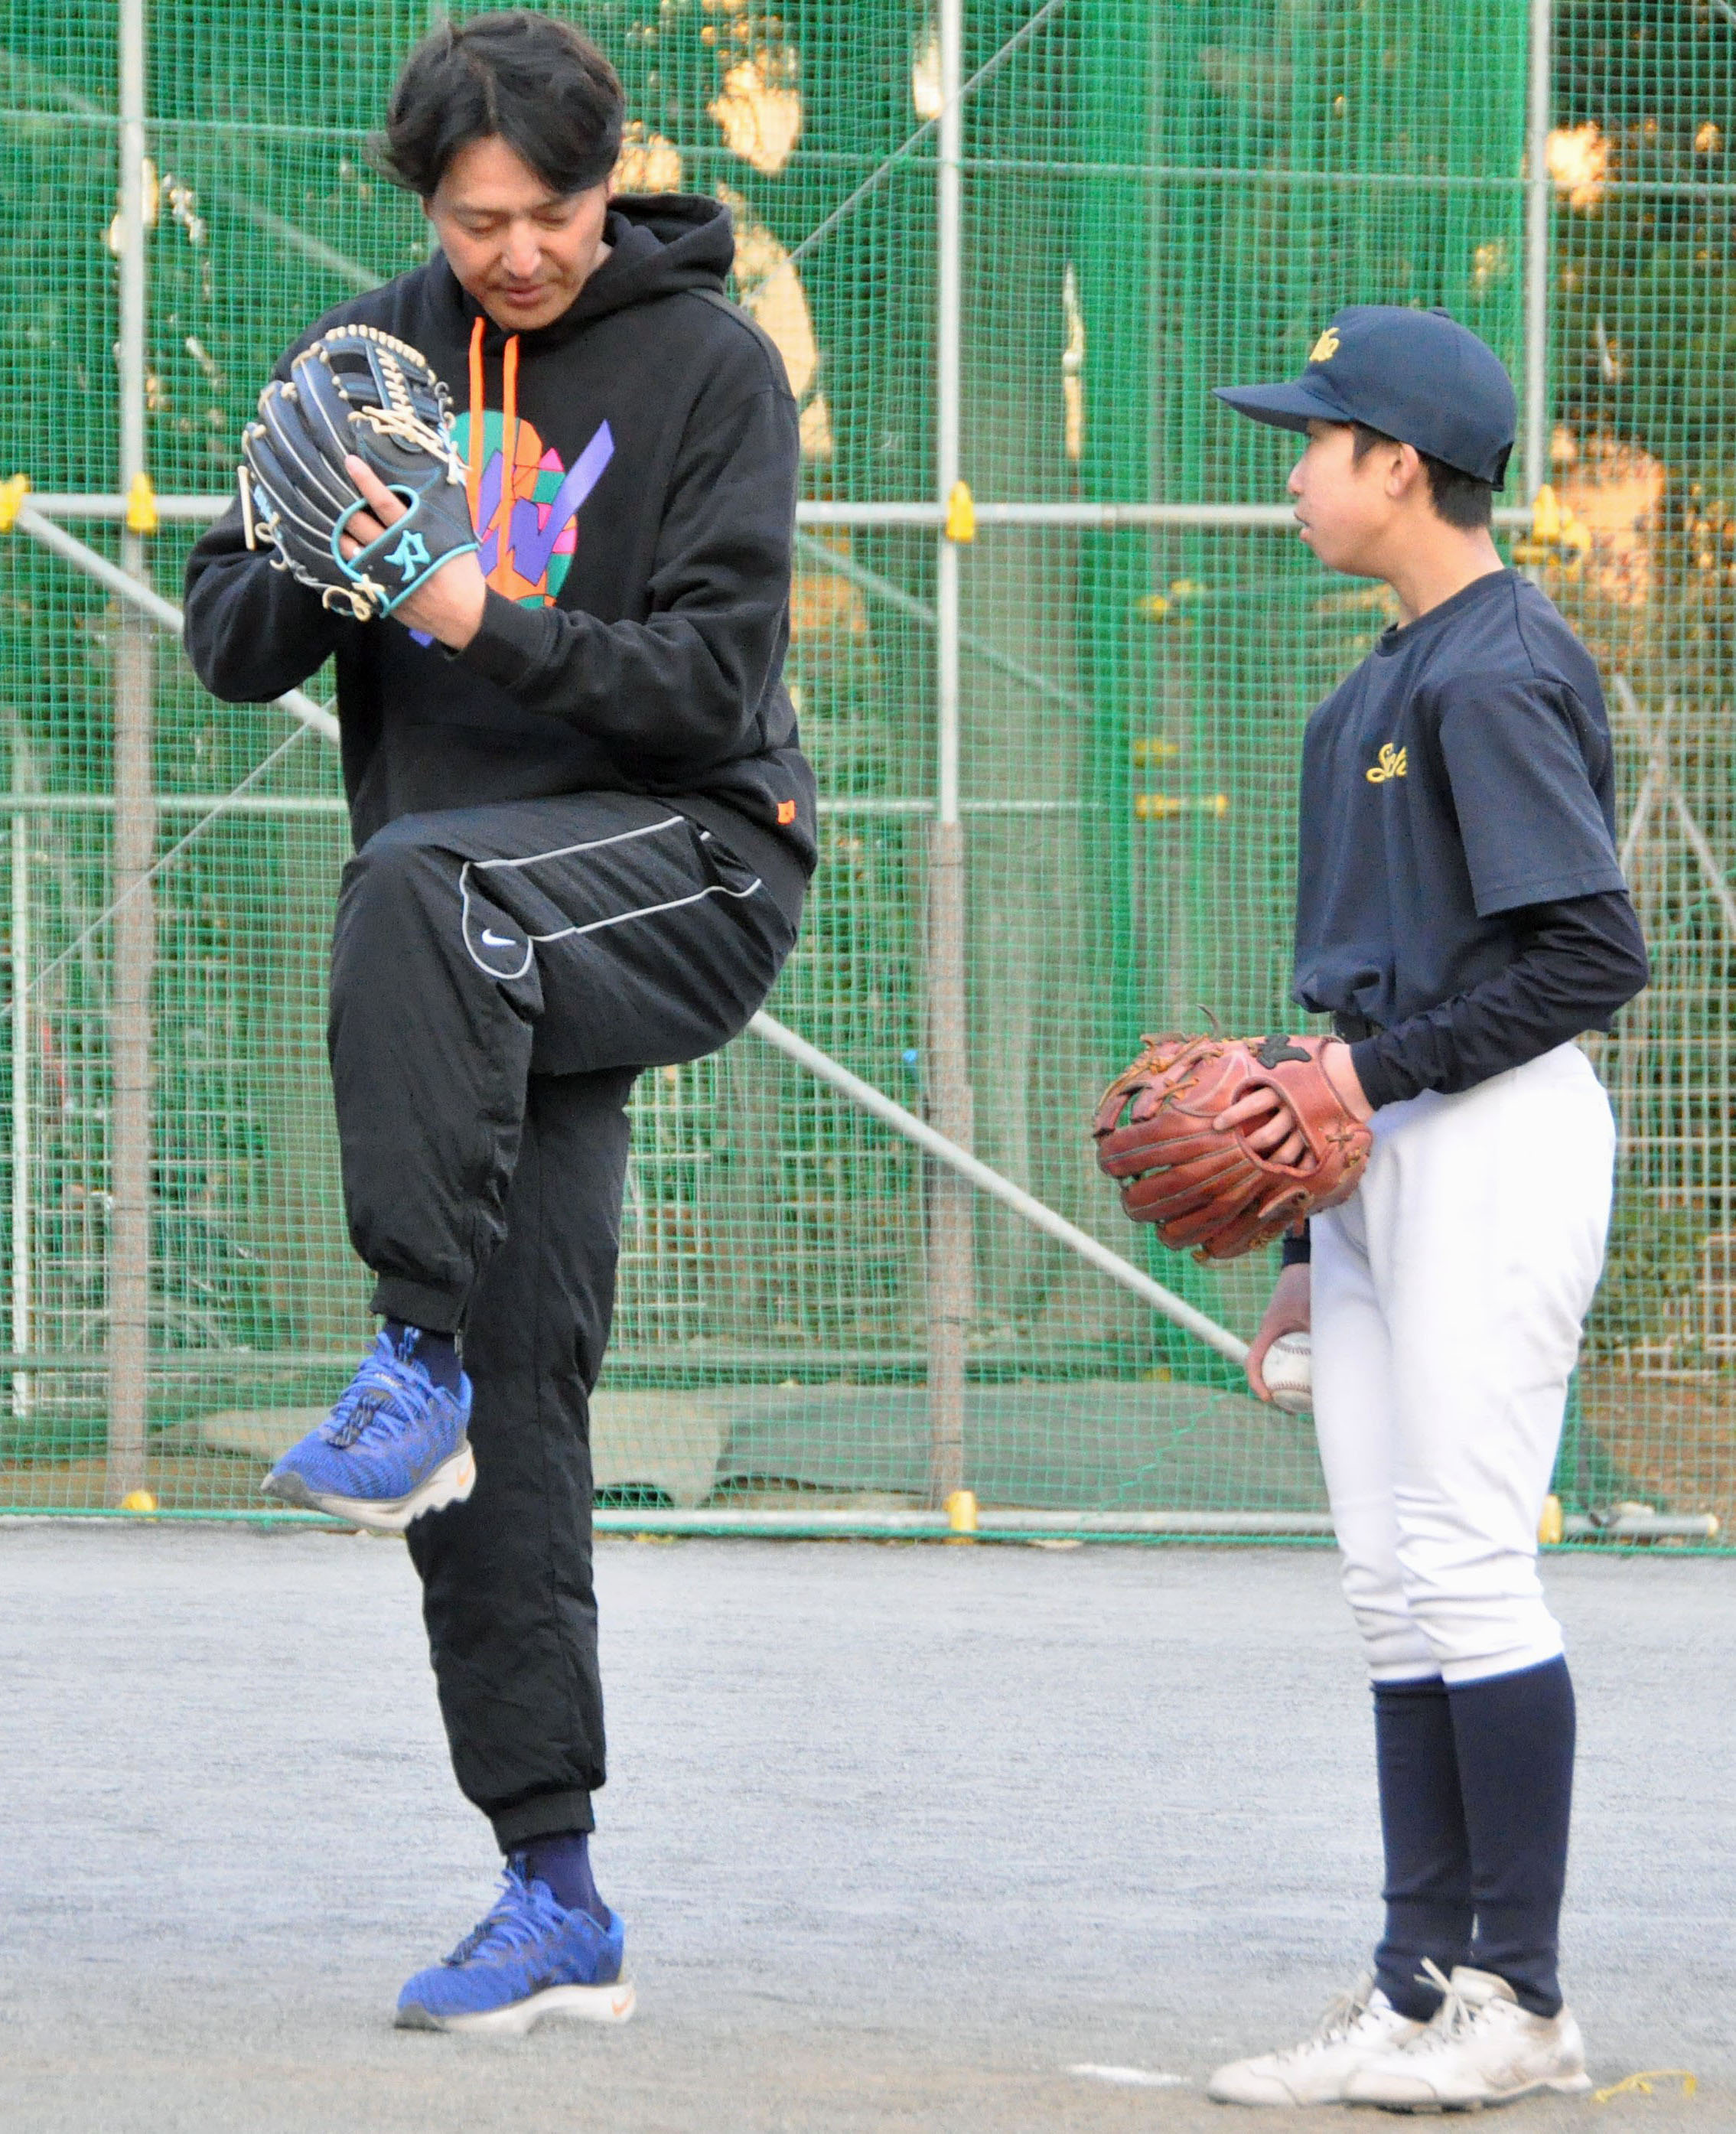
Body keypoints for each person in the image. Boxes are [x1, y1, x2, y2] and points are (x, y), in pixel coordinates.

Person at [183, 8, 811, 2035]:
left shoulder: (707, 369)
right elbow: (224, 642)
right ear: (424, 207)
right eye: (474, 222)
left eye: (544, 213)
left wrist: (463, 601)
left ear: (605, 176)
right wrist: (329, 544)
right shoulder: (360, 359)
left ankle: (402, 1347)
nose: (514, 254)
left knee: (412, 878)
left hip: (687, 858)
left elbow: (710, 687)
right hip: (468, 945)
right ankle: (553, 1890)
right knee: (499, 1416)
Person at [1200, 307, 1648, 2110]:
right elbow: (1352, 1015)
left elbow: (1589, 954)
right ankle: (1414, 1994)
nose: (1291, 463)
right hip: (1385, 1159)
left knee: (1466, 1561)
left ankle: (1520, 2003)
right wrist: (1314, 1244)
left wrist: (1355, 1102)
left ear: (1401, 465)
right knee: (1394, 1588)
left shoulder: (1494, 669)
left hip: (1498, 1138)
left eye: (1315, 436)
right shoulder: (1365, 693)